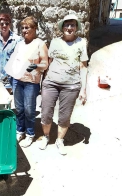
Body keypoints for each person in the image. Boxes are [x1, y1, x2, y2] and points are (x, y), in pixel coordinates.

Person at [39, 14, 88, 155]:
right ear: (62, 27)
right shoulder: (54, 42)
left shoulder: (81, 43)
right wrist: (42, 82)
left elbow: (83, 67)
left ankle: (59, 140)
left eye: (72, 25)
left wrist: (83, 90)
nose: (69, 27)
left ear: (76, 27)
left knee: (65, 116)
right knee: (46, 112)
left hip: (71, 85)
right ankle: (46, 136)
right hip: (50, 83)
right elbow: (47, 62)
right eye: (67, 25)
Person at [8, 16, 48, 147]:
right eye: (23, 28)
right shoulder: (19, 44)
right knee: (19, 108)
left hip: (31, 83)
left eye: (27, 27)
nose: (24, 30)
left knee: (29, 110)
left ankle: (30, 134)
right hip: (17, 81)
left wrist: (36, 66)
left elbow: (45, 64)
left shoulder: (40, 44)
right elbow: (14, 60)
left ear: (35, 29)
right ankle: (20, 131)